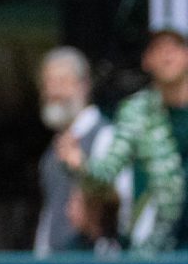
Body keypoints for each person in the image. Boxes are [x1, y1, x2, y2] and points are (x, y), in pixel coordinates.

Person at [59, 30, 188, 252]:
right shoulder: (136, 112)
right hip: (156, 244)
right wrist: (81, 167)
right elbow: (108, 171)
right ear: (146, 61)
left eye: (174, 48)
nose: (167, 56)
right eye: (159, 49)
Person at [33, 46, 120, 256]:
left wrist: (83, 169)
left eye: (62, 82)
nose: (53, 92)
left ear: (84, 86)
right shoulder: (54, 148)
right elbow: (51, 211)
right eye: (47, 83)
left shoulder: (106, 135)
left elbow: (119, 203)